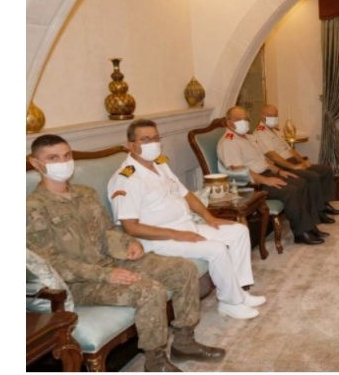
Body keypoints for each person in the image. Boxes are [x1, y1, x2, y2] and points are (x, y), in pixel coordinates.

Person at [27, 134, 225, 372]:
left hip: (110, 260)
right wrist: (105, 275)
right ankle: (155, 361)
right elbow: (52, 262)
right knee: (149, 291)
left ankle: (184, 342)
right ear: (36, 163)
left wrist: (129, 242)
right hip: (80, 282)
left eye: (67, 155)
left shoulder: (85, 193)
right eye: (53, 158)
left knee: (183, 269)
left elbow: (108, 230)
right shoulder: (33, 208)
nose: (63, 162)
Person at [108, 119, 264, 320]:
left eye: (155, 138)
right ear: (130, 145)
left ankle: (239, 292)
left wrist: (209, 218)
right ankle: (230, 302)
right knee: (217, 249)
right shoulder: (127, 179)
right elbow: (131, 227)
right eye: (145, 140)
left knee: (238, 231)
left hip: (186, 226)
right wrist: (177, 234)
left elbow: (186, 194)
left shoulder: (160, 165)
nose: (152, 143)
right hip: (159, 240)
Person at [218, 106, 326, 244]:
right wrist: (266, 180)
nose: (243, 122)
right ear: (228, 122)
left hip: (266, 173)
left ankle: (310, 226)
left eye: (245, 118)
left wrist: (279, 171)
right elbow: (238, 169)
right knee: (291, 191)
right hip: (254, 182)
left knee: (301, 182)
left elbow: (264, 161)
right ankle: (301, 233)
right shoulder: (228, 142)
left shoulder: (248, 137)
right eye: (239, 119)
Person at [254, 104, 339, 217]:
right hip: (282, 165)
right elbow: (272, 156)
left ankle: (324, 203)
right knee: (312, 176)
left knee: (326, 170)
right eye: (270, 115)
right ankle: (318, 211)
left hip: (292, 162)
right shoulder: (260, 133)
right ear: (262, 116)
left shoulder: (275, 131)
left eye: (275, 115)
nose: (274, 117)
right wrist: (294, 167)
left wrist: (302, 161)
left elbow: (290, 149)